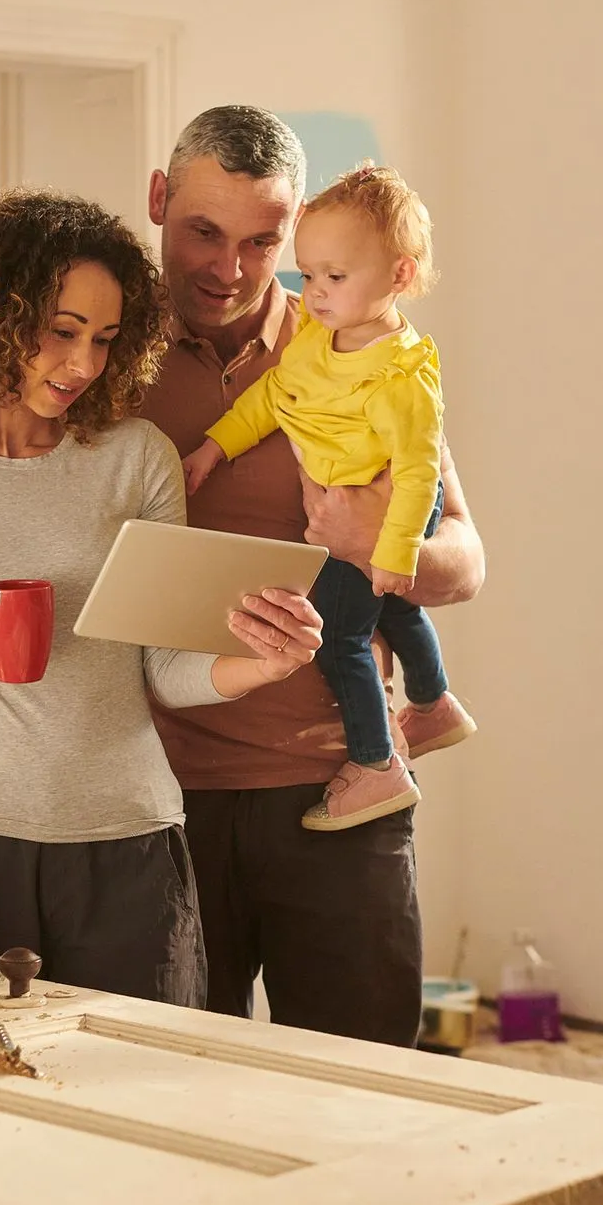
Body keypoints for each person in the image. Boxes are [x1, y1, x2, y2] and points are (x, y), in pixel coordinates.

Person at [0, 187, 323, 1002]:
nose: (84, 365)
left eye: (104, 338)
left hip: (132, 846)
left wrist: (260, 665)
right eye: (61, 333)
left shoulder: (138, 457)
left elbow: (162, 668)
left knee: (138, 1104)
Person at [139, 105, 487, 1054]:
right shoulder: (98, 356)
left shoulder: (359, 350)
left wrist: (386, 538)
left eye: (262, 242)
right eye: (203, 232)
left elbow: (466, 557)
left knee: (361, 1098)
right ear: (158, 201)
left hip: (342, 785)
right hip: (159, 798)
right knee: (174, 1092)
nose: (231, 268)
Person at [182, 162, 475, 832]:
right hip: (358, 514)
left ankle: (375, 766)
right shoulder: (318, 339)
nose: (312, 293)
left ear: (398, 276)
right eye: (307, 274)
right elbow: (272, 398)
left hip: (390, 511)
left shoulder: (404, 375)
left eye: (334, 278)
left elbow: (421, 472)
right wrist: (215, 447)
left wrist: (389, 546)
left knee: (344, 633)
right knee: (392, 612)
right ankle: (433, 703)